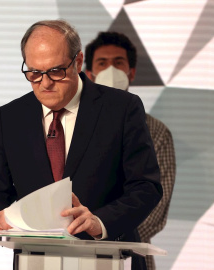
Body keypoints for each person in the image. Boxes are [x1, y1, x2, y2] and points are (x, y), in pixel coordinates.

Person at [0, 20, 162, 270]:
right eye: (34, 73)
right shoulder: (11, 117)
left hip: (111, 259)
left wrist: (100, 222)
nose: (45, 83)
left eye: (55, 71)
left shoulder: (121, 108)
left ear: (78, 61)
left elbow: (145, 186)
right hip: (36, 261)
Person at [84, 31, 176, 270]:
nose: (110, 70)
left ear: (131, 72)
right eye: (102, 63)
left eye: (118, 62)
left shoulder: (156, 131)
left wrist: (107, 232)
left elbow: (157, 205)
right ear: (89, 74)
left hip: (133, 253)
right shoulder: (73, 126)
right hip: (75, 252)